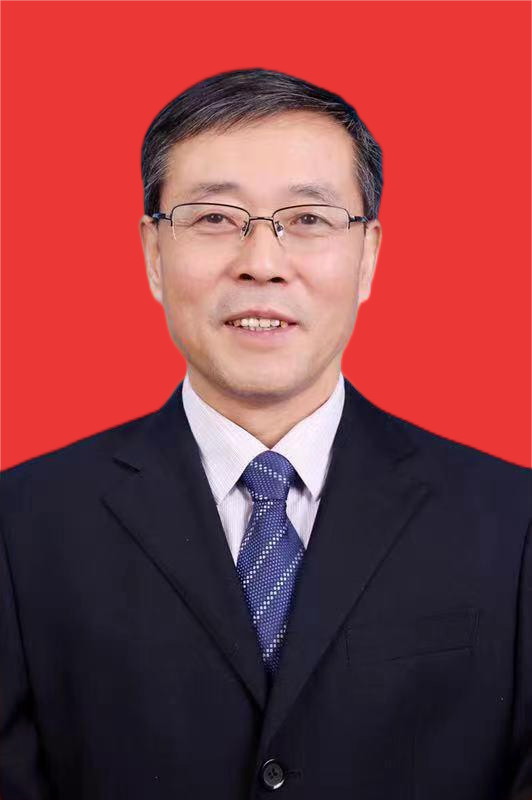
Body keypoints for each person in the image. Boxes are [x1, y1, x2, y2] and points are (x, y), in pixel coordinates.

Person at [0, 67, 530, 800]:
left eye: (308, 219)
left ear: (368, 255)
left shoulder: (512, 522)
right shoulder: (22, 524)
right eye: (214, 219)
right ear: (154, 254)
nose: (261, 264)